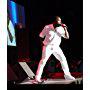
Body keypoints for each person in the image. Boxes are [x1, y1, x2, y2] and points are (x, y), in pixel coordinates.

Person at [35, 16, 75, 83]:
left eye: (60, 21)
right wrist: (42, 45)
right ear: (54, 21)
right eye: (58, 21)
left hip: (56, 47)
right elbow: (40, 36)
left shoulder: (61, 28)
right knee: (43, 61)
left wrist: (65, 29)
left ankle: (67, 75)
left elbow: (67, 37)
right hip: (48, 46)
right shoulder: (47, 27)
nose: (60, 22)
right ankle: (37, 77)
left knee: (63, 59)